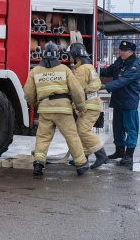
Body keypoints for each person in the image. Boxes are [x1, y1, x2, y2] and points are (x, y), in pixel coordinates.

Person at [23, 42, 90, 177]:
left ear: (42, 55)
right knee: (71, 136)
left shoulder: (35, 71)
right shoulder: (64, 69)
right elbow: (77, 91)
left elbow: (28, 93)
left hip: (45, 110)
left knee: (42, 137)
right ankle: (81, 164)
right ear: (57, 55)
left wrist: (36, 104)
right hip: (63, 110)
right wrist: (81, 107)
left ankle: (38, 164)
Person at [99, 40, 140, 167]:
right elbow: (108, 71)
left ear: (131, 52)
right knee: (117, 128)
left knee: (131, 128)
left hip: (129, 101)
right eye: (121, 50)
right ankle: (119, 151)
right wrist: (92, 68)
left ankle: (129, 155)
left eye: (125, 51)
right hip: (118, 100)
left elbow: (122, 81)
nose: (122, 52)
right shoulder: (120, 62)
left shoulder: (134, 66)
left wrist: (104, 87)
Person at [67, 43, 108, 169]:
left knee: (83, 130)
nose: (70, 59)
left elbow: (77, 90)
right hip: (93, 103)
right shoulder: (89, 67)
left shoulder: (82, 69)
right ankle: (82, 157)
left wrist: (78, 106)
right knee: (81, 129)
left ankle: (101, 155)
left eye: (71, 57)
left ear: (75, 56)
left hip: (89, 104)